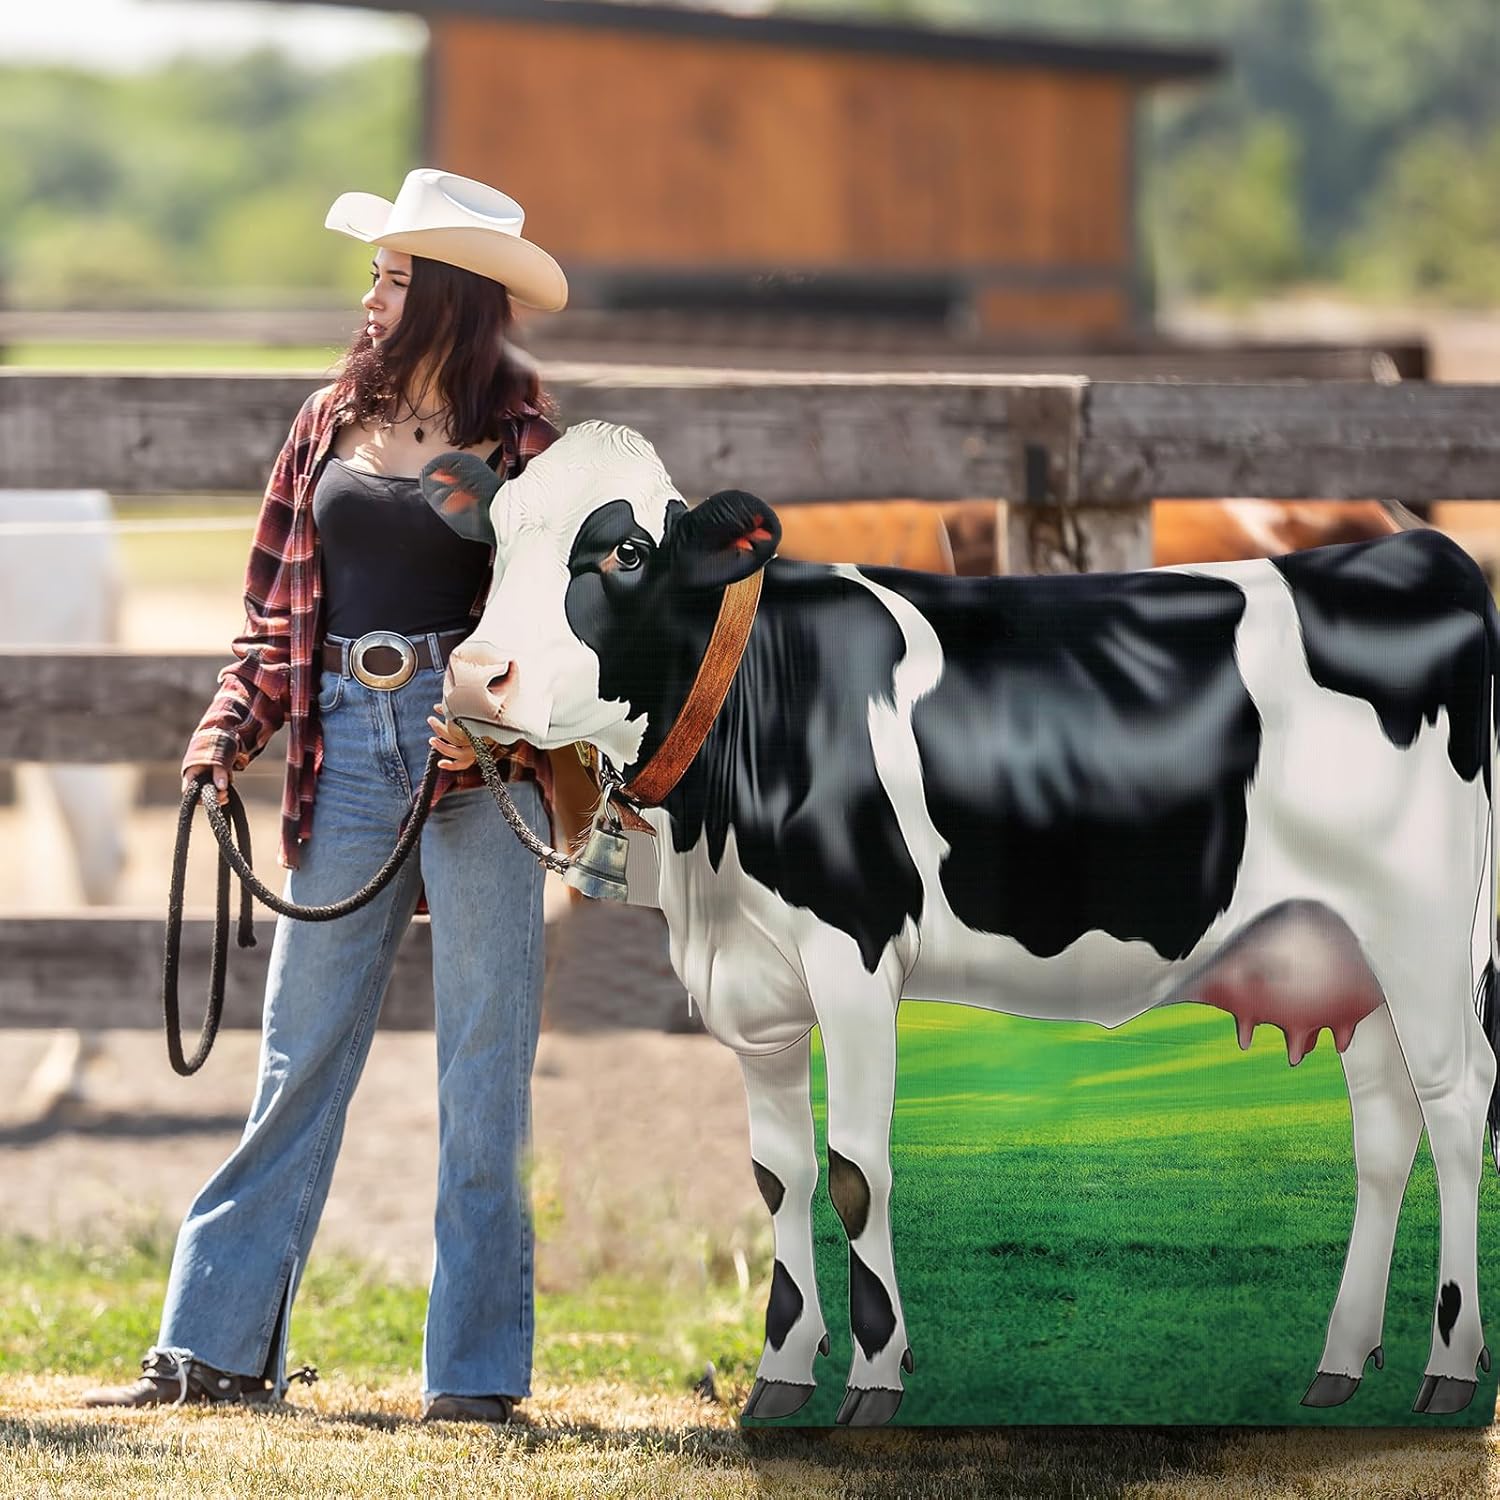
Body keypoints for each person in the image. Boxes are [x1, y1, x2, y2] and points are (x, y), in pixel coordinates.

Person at [82, 169, 569, 1424]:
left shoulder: (528, 450)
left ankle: (474, 1378)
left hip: (484, 771)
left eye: (395, 279)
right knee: (298, 1054)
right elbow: (271, 614)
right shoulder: (326, 422)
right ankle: (211, 1348)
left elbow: (568, 628)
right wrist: (225, 729)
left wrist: (492, 709)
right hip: (345, 744)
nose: (371, 297)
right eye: (375, 274)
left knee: (483, 1074)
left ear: (450, 297)